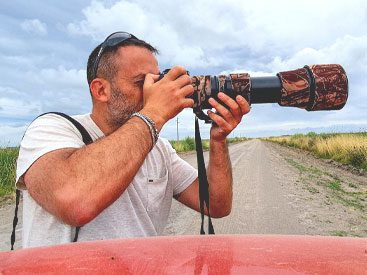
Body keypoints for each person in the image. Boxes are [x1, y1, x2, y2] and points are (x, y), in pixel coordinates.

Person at [16, 32, 250, 248]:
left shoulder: (159, 149)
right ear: (100, 90)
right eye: (141, 83)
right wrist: (154, 113)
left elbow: (216, 205)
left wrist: (218, 141)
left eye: (156, 82)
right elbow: (73, 201)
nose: (153, 91)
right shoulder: (52, 129)